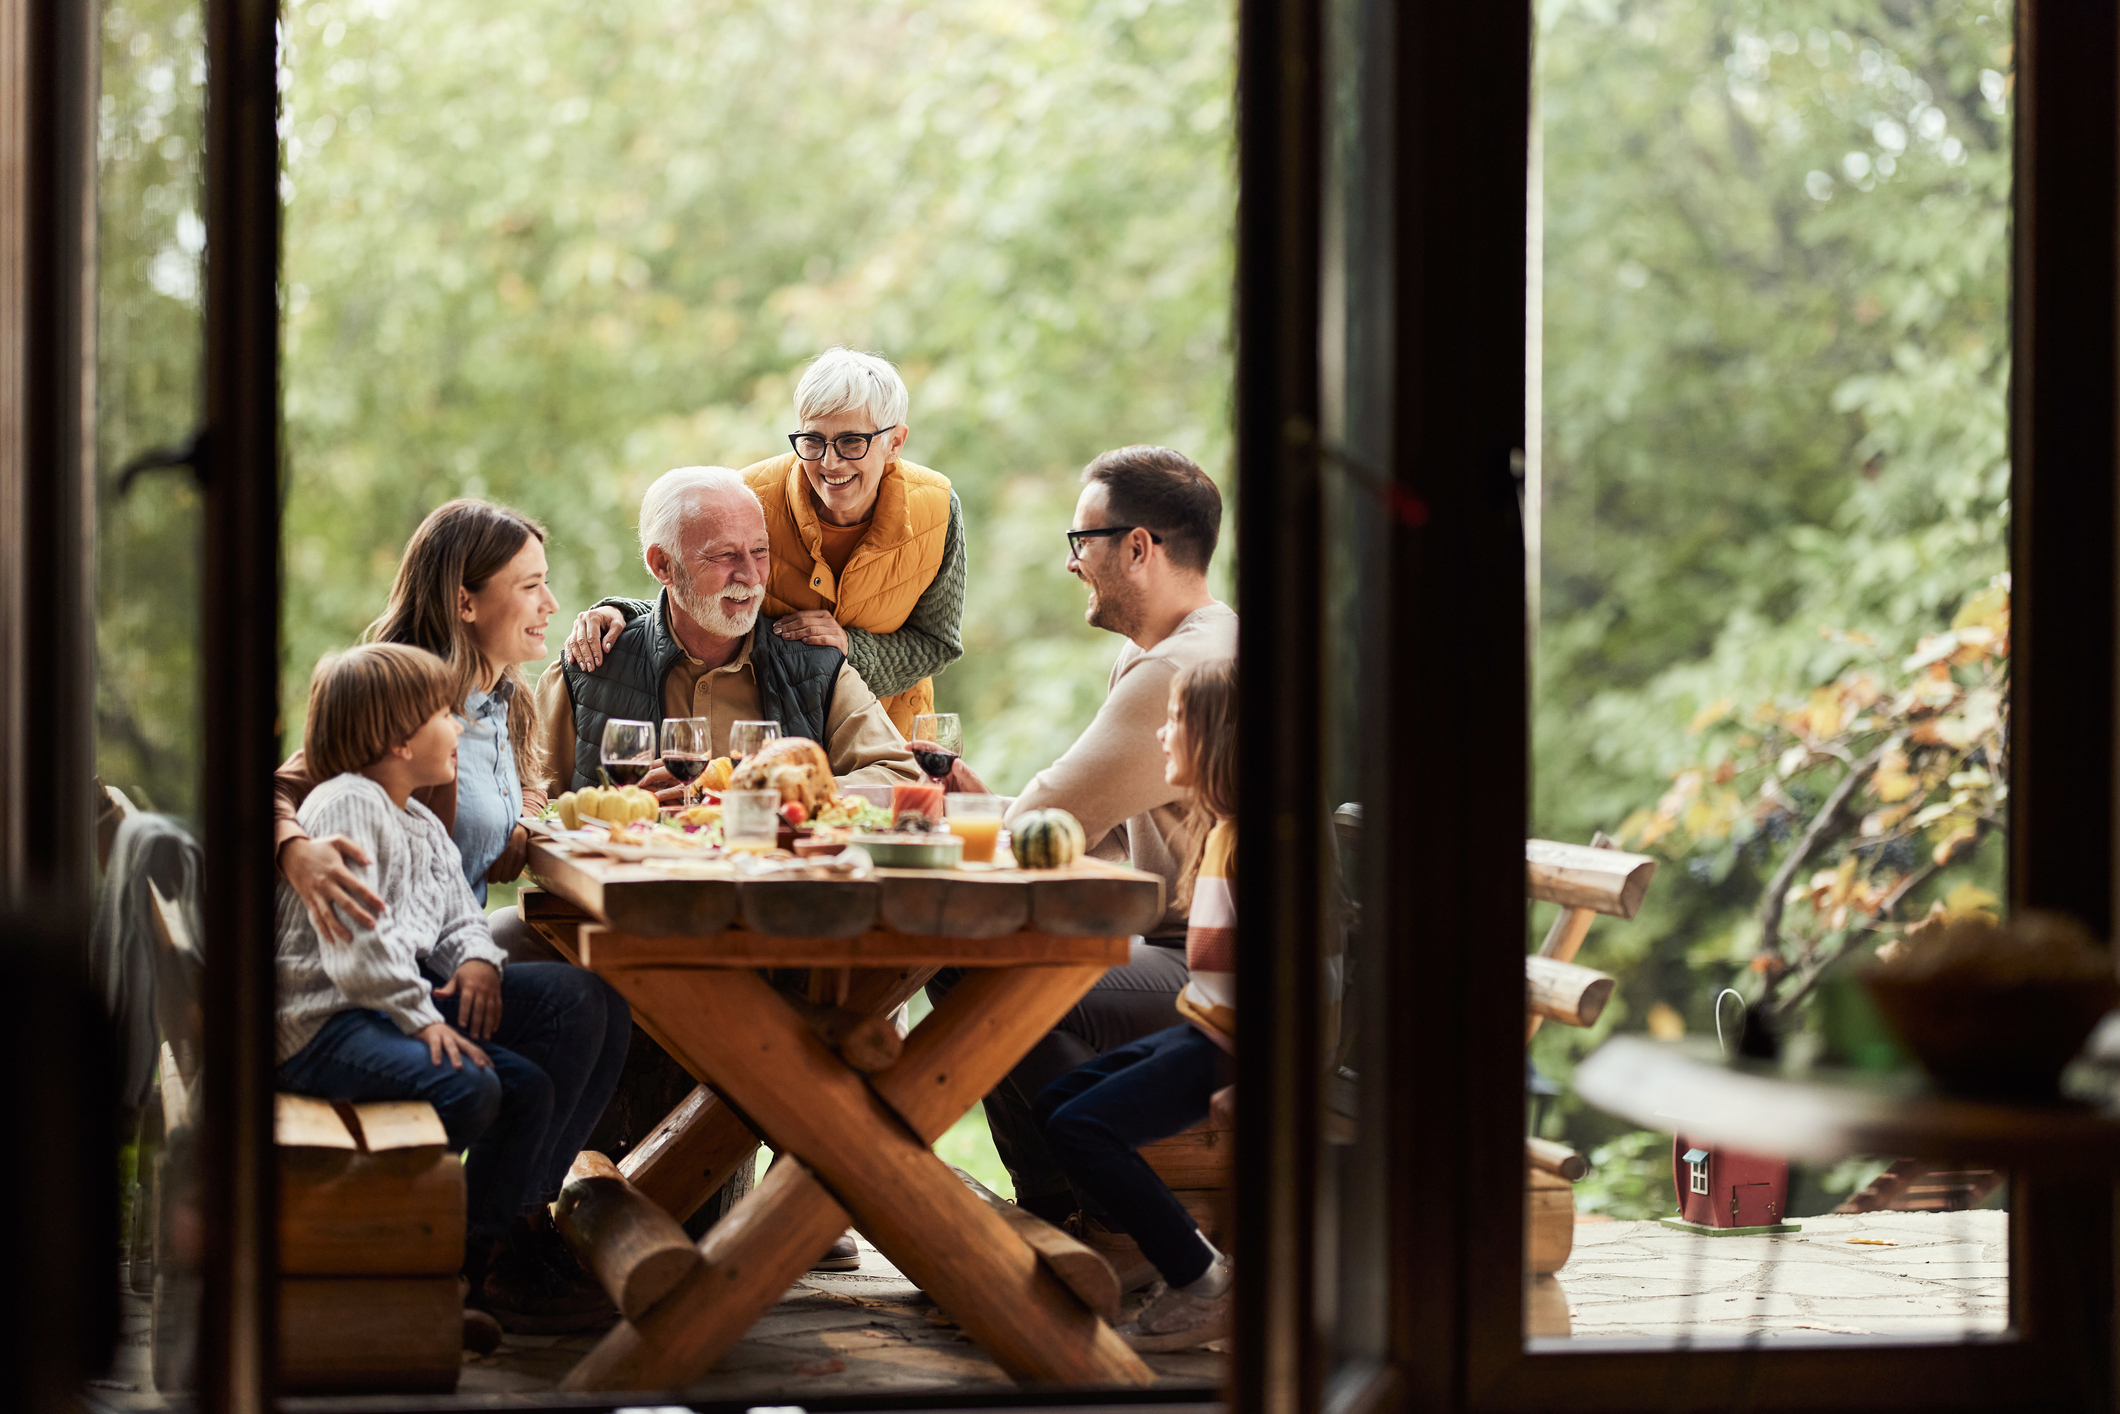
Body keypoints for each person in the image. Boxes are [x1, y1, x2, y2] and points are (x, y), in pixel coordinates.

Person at [272, 644, 631, 1332]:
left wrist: (475, 963)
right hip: (325, 1022)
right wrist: (419, 1020)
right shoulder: (348, 805)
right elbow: (357, 948)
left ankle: (469, 1266)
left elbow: (457, 920)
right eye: (444, 715)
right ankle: (415, 1255)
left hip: (383, 1007)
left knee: (553, 1051)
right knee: (476, 1088)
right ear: (395, 739)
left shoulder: (412, 819)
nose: (458, 727)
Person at [938, 444, 1238, 1232]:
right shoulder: (1190, 648)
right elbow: (1087, 832)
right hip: (1190, 950)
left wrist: (982, 817)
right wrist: (997, 808)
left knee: (991, 977)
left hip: (1220, 975)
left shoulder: (1181, 669)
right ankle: (1069, 1207)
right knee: (986, 967)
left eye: (1083, 541)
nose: (1072, 563)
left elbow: (1050, 816)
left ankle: (1105, 1219)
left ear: (1139, 548)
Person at [563, 348, 963, 737]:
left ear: (895, 442)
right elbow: (698, 597)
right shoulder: (747, 498)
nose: (829, 462)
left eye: (852, 442)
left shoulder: (938, 509)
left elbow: (937, 642)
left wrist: (849, 648)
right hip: (776, 736)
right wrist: (622, 611)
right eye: (813, 440)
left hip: (891, 739)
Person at [1036, 657, 1238, 1351]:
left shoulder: (1257, 844)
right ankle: (1162, 1244)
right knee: (1053, 1105)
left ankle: (1202, 1280)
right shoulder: (1223, 831)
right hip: (1204, 1026)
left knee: (1082, 1128)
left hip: (1228, 1049)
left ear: (1217, 738)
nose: (1162, 736)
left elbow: (1315, 974)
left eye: (1176, 721)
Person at [533, 464, 921, 797]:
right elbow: (529, 807)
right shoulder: (587, 667)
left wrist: (754, 787)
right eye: (724, 555)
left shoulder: (819, 669)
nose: (751, 576)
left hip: (771, 884)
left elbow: (902, 779)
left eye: (759, 551)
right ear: (663, 565)